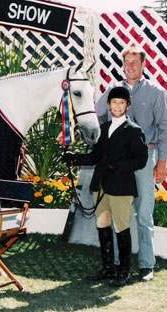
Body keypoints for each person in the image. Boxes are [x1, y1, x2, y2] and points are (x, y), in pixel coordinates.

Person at [95, 44, 167, 281]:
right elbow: (95, 117)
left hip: (144, 160)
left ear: (143, 65)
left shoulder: (156, 92)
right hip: (116, 165)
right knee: (120, 213)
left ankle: (147, 265)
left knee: (144, 213)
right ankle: (119, 264)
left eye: (135, 62)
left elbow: (166, 128)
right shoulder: (112, 90)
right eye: (127, 62)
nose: (130, 66)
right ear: (122, 64)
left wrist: (162, 162)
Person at [64, 86, 148, 286]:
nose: (117, 106)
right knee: (102, 225)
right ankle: (108, 268)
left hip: (121, 188)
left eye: (121, 102)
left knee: (121, 227)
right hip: (101, 186)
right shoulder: (103, 128)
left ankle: (124, 271)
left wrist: (117, 166)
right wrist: (74, 159)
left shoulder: (134, 131)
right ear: (109, 105)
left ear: (127, 106)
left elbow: (141, 160)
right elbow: (95, 157)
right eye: (114, 102)